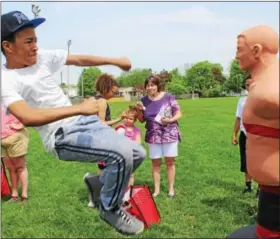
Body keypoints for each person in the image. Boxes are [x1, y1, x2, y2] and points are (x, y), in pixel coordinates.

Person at [1, 11, 146, 235]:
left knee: (137, 153)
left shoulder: (41, 58)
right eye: (29, 41)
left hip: (83, 121)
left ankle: (98, 184)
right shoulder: (6, 79)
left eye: (36, 40)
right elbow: (27, 116)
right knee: (122, 155)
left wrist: (115, 61)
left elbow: (78, 59)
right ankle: (110, 208)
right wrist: (79, 108)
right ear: (8, 47)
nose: (35, 46)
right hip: (60, 135)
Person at [227, 25, 279, 238]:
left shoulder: (268, 92)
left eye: (239, 49)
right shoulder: (261, 87)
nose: (236, 55)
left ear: (256, 51)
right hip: (269, 191)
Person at [136, 75, 182, 198]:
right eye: (148, 85)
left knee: (170, 162)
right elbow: (141, 120)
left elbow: (178, 113)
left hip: (169, 133)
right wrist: (139, 110)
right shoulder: (144, 100)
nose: (150, 88)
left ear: (158, 85)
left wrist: (171, 119)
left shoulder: (168, 97)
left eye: (153, 85)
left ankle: (171, 189)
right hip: (153, 135)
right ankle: (156, 190)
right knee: (155, 163)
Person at [1, 106, 29, 203]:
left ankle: (24, 196)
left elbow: (28, 111)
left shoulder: (11, 96)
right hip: (1, 139)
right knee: (11, 169)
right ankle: (14, 195)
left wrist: (21, 125)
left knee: (20, 167)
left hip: (15, 136)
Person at [232, 74, 254, 193]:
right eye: (246, 85)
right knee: (245, 160)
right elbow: (238, 118)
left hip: (257, 136)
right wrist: (234, 134)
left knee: (259, 161)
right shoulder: (241, 100)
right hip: (244, 134)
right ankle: (248, 185)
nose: (249, 86)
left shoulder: (262, 99)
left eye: (251, 84)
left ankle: (261, 188)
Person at [115, 106, 142, 187]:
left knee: (131, 174)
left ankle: (128, 191)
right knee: (119, 173)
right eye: (126, 118)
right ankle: (118, 190)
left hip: (131, 155)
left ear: (134, 120)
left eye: (130, 119)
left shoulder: (136, 130)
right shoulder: (120, 128)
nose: (127, 120)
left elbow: (138, 143)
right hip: (120, 154)